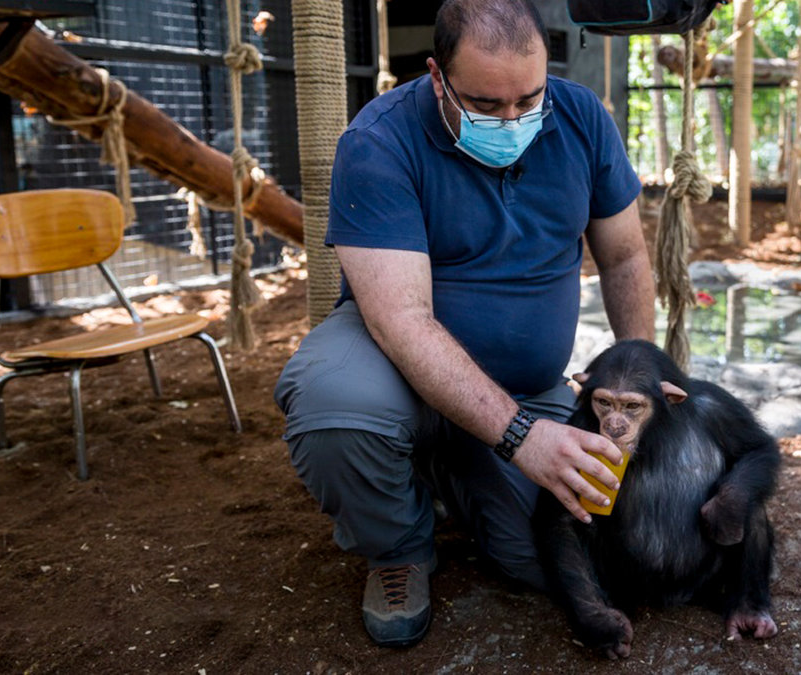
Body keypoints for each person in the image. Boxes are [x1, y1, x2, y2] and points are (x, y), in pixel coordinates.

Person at [274, 0, 655, 648]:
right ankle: (398, 547)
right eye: (485, 105)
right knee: (336, 409)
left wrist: (638, 374)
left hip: (526, 389)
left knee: (567, 560)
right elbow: (401, 321)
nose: (512, 120)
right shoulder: (378, 140)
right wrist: (522, 439)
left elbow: (624, 256)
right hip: (395, 369)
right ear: (436, 77)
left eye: (528, 99)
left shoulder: (583, 117)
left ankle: (454, 468)